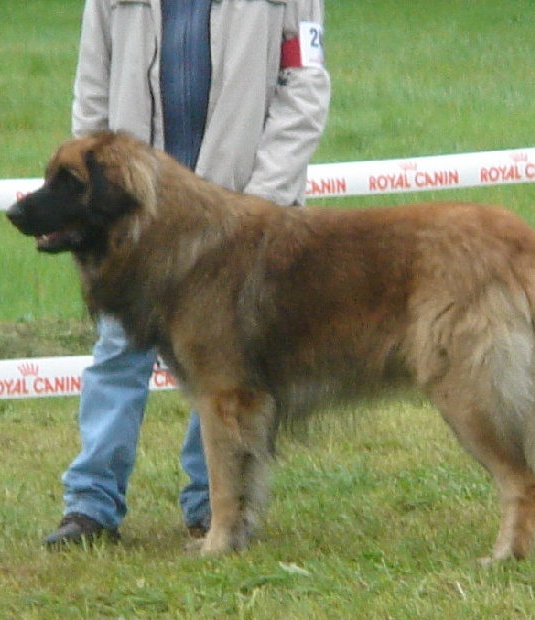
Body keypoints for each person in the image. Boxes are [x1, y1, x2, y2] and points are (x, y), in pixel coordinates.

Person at [43, 0, 331, 546]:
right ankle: (90, 507)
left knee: (225, 364)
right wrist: (98, 196)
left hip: (239, 213)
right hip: (135, 216)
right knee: (116, 354)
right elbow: (93, 87)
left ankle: (211, 507)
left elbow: (305, 86)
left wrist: (262, 199)